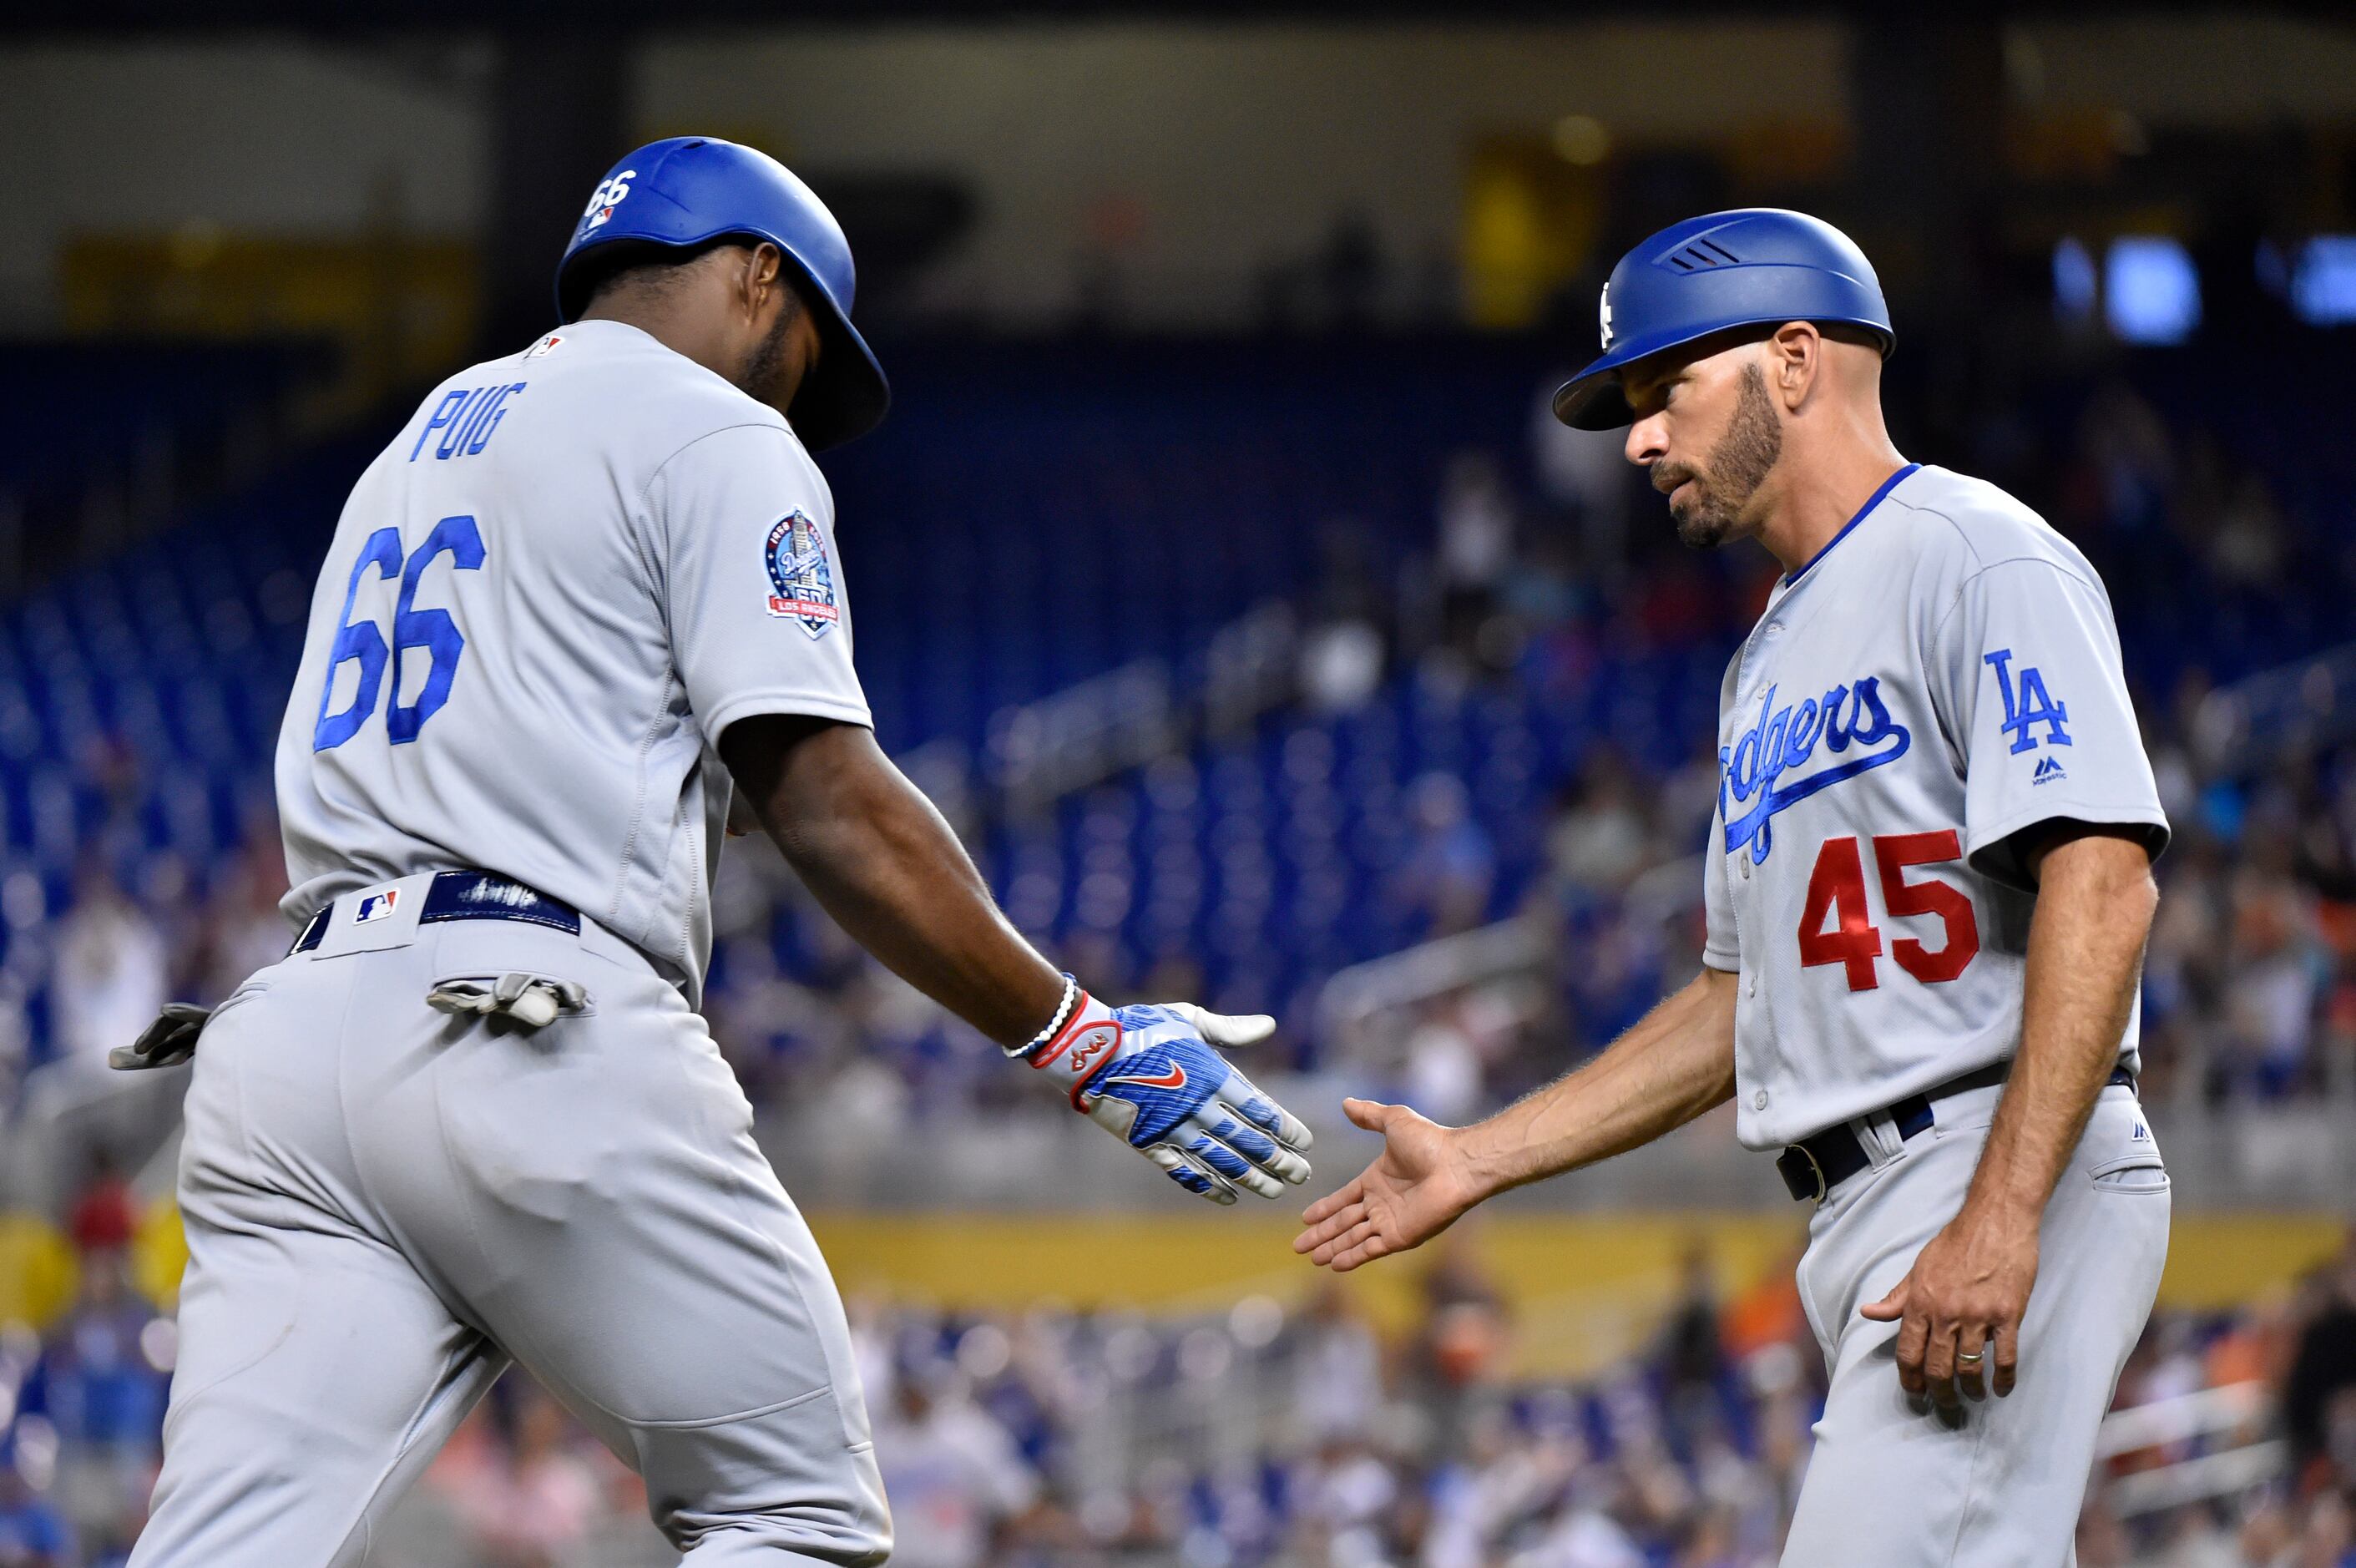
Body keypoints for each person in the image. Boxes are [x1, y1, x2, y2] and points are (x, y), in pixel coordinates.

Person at [121, 136, 1310, 1566]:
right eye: (813, 338)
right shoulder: (714, 428)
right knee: (790, 1510)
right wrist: (1077, 1036)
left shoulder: (418, 435)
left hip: (288, 1044)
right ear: (759, 280)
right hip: (515, 1031)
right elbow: (822, 798)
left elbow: (608, 734)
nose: (806, 379)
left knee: (223, 1549)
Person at [1296, 209, 2171, 1567]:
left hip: (1992, 1156)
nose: (1637, 438)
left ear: (1794, 360)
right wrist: (1477, 1157)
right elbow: (1736, 1003)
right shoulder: (1763, 656)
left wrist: (1999, 1212)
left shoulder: (1973, 551)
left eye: (1666, 389)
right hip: (1865, 1195)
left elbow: (2102, 881)